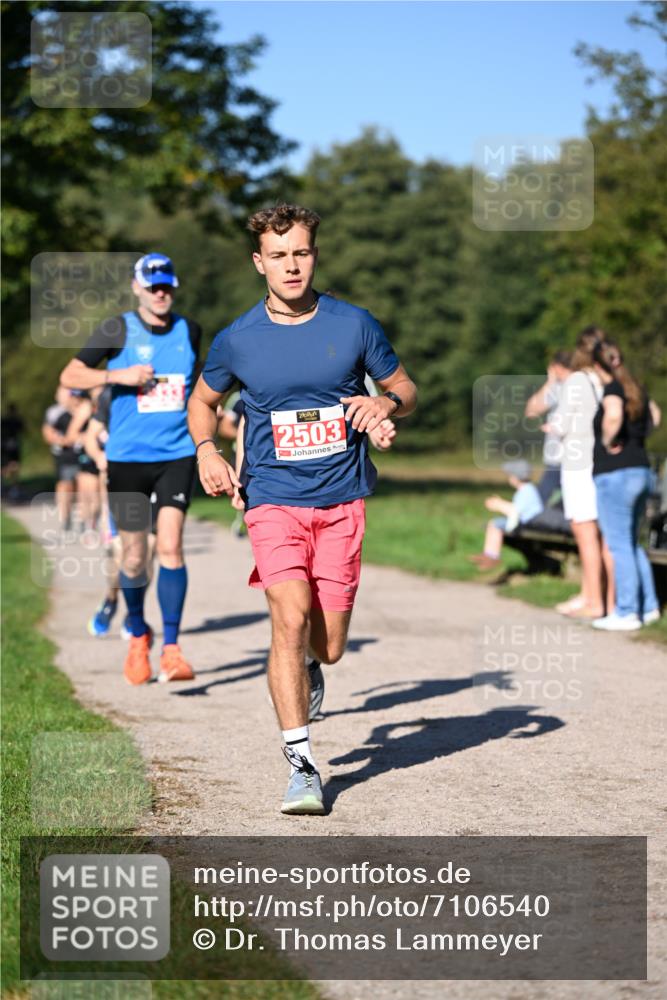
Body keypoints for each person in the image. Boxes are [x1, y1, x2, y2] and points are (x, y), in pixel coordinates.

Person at [188, 203, 417, 815]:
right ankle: (301, 766)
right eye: (279, 255)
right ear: (259, 261)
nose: (292, 265)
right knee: (288, 619)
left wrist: (384, 407)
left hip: (342, 500)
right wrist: (209, 451)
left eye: (302, 252)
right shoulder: (238, 338)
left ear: (315, 255)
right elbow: (201, 402)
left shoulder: (354, 324)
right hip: (272, 500)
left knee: (330, 643)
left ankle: (315, 666)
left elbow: (403, 387)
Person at [60, 253, 201, 684]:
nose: (161, 293)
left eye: (167, 286)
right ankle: (139, 633)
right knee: (136, 555)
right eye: (153, 285)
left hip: (176, 454)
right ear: (136, 287)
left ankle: (173, 651)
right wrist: (117, 377)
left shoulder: (189, 330)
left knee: (171, 547)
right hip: (127, 459)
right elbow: (72, 374)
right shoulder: (117, 328)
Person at [591, 340, 661, 630]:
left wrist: (609, 443)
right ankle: (650, 607)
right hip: (642, 469)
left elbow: (614, 415)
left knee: (619, 546)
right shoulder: (637, 388)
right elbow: (655, 417)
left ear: (597, 366)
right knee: (632, 544)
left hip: (616, 475)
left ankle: (627, 611)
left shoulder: (612, 390)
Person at [547, 326, 612, 619]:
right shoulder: (608, 379)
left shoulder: (576, 380)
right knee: (603, 535)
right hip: (603, 462)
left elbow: (561, 423)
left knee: (585, 534)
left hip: (578, 462)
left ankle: (593, 601)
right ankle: (601, 598)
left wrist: (550, 427)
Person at [469, 460, 544, 570]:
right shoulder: (526, 490)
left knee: (495, 524)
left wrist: (498, 505)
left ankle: (492, 556)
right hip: (527, 521)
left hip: (528, 523)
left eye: (510, 476)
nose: (509, 479)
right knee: (494, 523)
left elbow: (515, 511)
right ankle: (488, 554)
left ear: (516, 478)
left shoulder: (527, 491)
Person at [524, 350, 572, 506]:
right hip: (577, 456)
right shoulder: (584, 385)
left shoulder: (560, 387)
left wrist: (550, 382)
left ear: (557, 366)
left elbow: (531, 410)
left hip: (558, 458)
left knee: (539, 502)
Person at [41, 387, 81, 535]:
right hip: (63, 455)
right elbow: (47, 432)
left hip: (82, 453)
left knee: (81, 486)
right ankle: (65, 518)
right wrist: (62, 440)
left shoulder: (82, 408)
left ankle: (84, 518)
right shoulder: (54, 412)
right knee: (65, 485)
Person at [1, 402, 24, 500]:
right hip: (7, 446)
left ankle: (13, 488)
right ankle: (10, 486)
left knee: (12, 466)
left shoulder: (8, 421)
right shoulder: (6, 421)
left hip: (10, 446)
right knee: (10, 467)